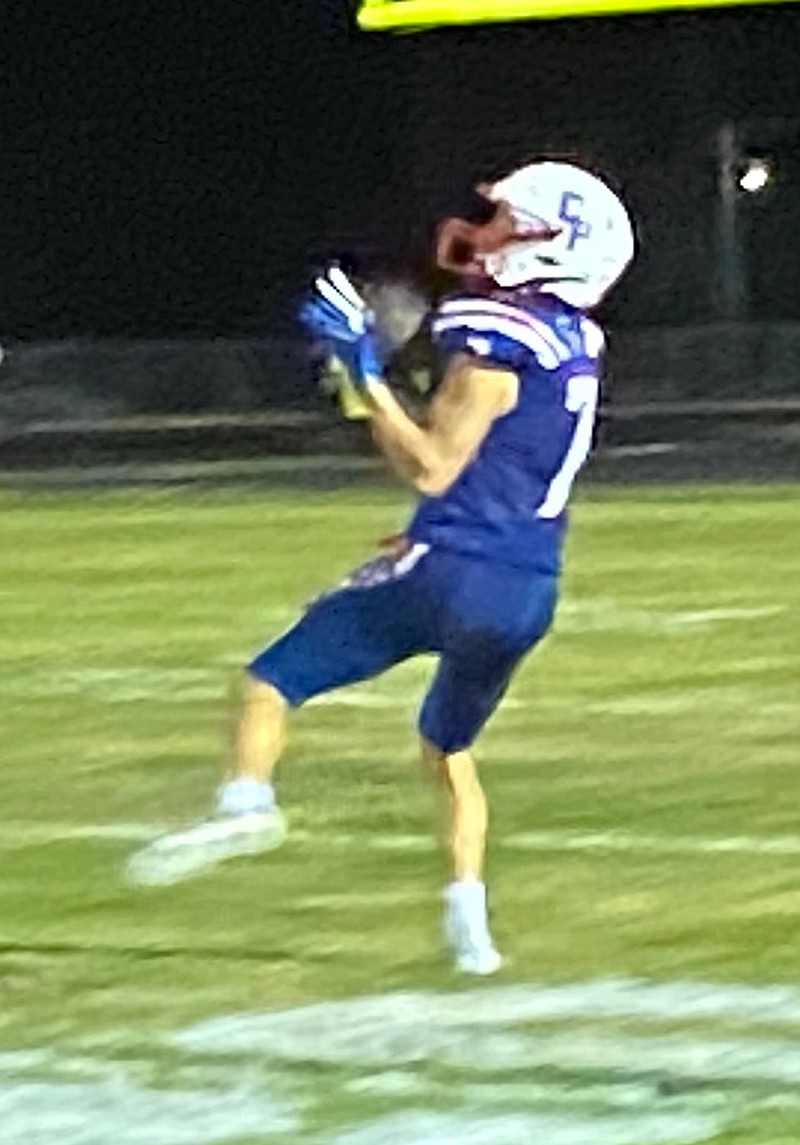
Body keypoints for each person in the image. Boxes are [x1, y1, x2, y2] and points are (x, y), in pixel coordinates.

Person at [126, 160, 636, 976]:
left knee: (268, 683)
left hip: (453, 569)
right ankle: (470, 930)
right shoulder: (576, 343)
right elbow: (505, 468)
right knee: (446, 749)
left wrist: (362, 373)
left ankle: (246, 802)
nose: (488, 234)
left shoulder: (500, 336)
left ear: (556, 246)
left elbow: (435, 464)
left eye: (511, 223)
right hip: (526, 587)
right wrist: (424, 531)